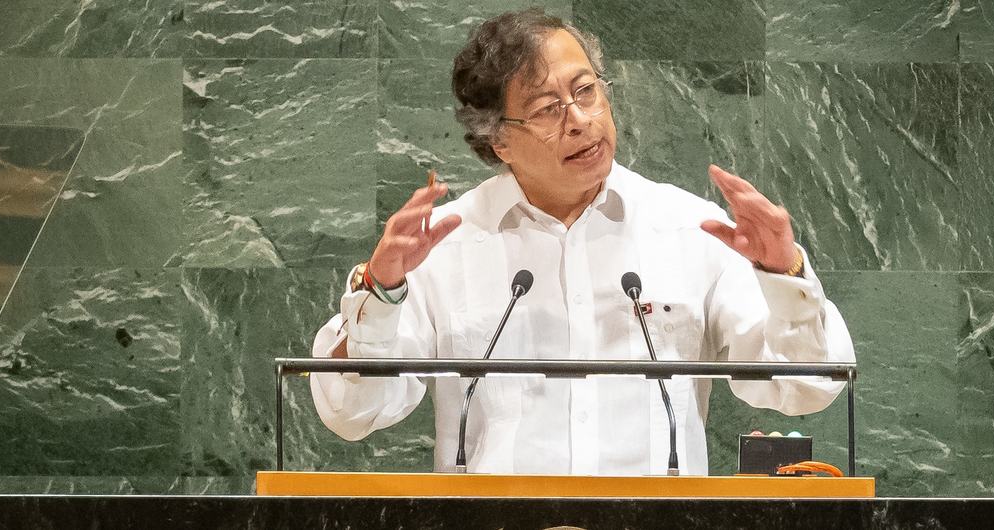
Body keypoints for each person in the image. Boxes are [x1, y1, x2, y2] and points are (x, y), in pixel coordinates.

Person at [309, 8, 854, 476]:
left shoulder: (690, 228)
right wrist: (380, 294)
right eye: (548, 109)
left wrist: (785, 275)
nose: (580, 121)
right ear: (498, 140)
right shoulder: (444, 245)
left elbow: (806, 385)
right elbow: (352, 412)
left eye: (586, 91)